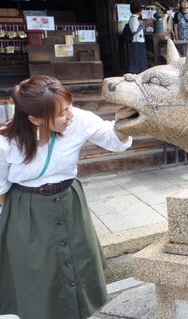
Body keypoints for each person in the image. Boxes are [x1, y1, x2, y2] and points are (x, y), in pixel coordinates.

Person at [0, 75, 136, 319]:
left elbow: (115, 141)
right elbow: (1, 190)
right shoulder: (6, 143)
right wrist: (22, 222)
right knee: (39, 275)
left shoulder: (78, 120)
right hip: (27, 212)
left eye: (69, 106)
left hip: (69, 203)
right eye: (62, 113)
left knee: (81, 265)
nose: (70, 115)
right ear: (35, 119)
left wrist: (123, 122)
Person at [127, 1, 148, 73]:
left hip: (139, 40)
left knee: (140, 58)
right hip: (136, 41)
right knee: (136, 58)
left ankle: (140, 71)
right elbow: (134, 31)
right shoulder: (133, 18)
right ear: (138, 10)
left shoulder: (136, 18)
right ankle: (134, 72)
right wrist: (141, 26)